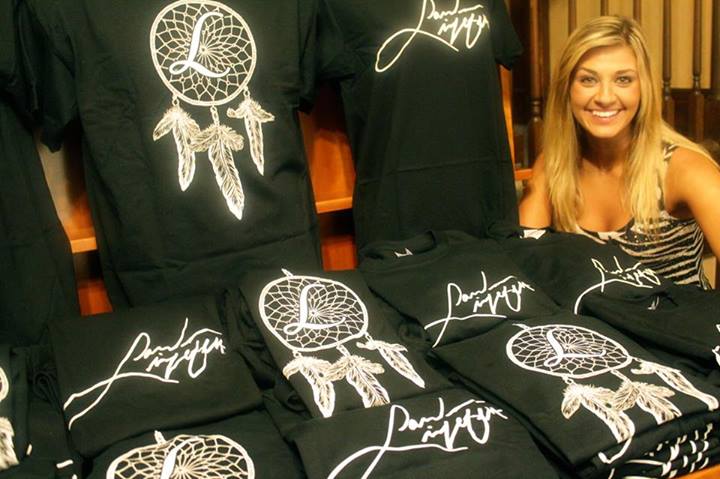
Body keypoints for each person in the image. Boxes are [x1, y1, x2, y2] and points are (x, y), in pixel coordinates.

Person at [519, 16, 720, 289]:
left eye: (623, 79)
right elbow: (522, 269)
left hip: (680, 316)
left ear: (643, 88)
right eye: (588, 79)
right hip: (593, 317)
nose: (605, 97)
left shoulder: (684, 168)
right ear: (567, 89)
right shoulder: (553, 166)